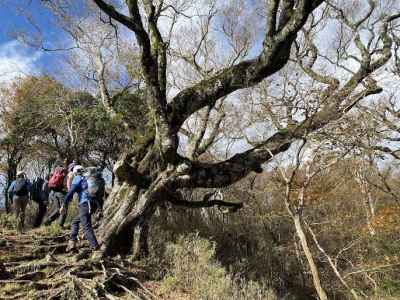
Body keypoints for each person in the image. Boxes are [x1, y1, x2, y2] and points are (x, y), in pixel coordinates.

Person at [62, 166, 102, 253]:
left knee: (86, 226)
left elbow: (70, 192)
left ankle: (95, 247)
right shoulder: (90, 178)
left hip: (85, 204)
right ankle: (72, 243)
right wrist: (100, 208)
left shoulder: (78, 178)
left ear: (75, 172)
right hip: (93, 204)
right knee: (75, 221)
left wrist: (64, 204)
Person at [44, 162, 69, 228]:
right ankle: (60, 225)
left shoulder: (55, 172)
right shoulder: (65, 173)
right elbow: (66, 184)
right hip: (61, 193)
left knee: (58, 210)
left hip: (54, 192)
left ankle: (48, 221)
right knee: (64, 208)